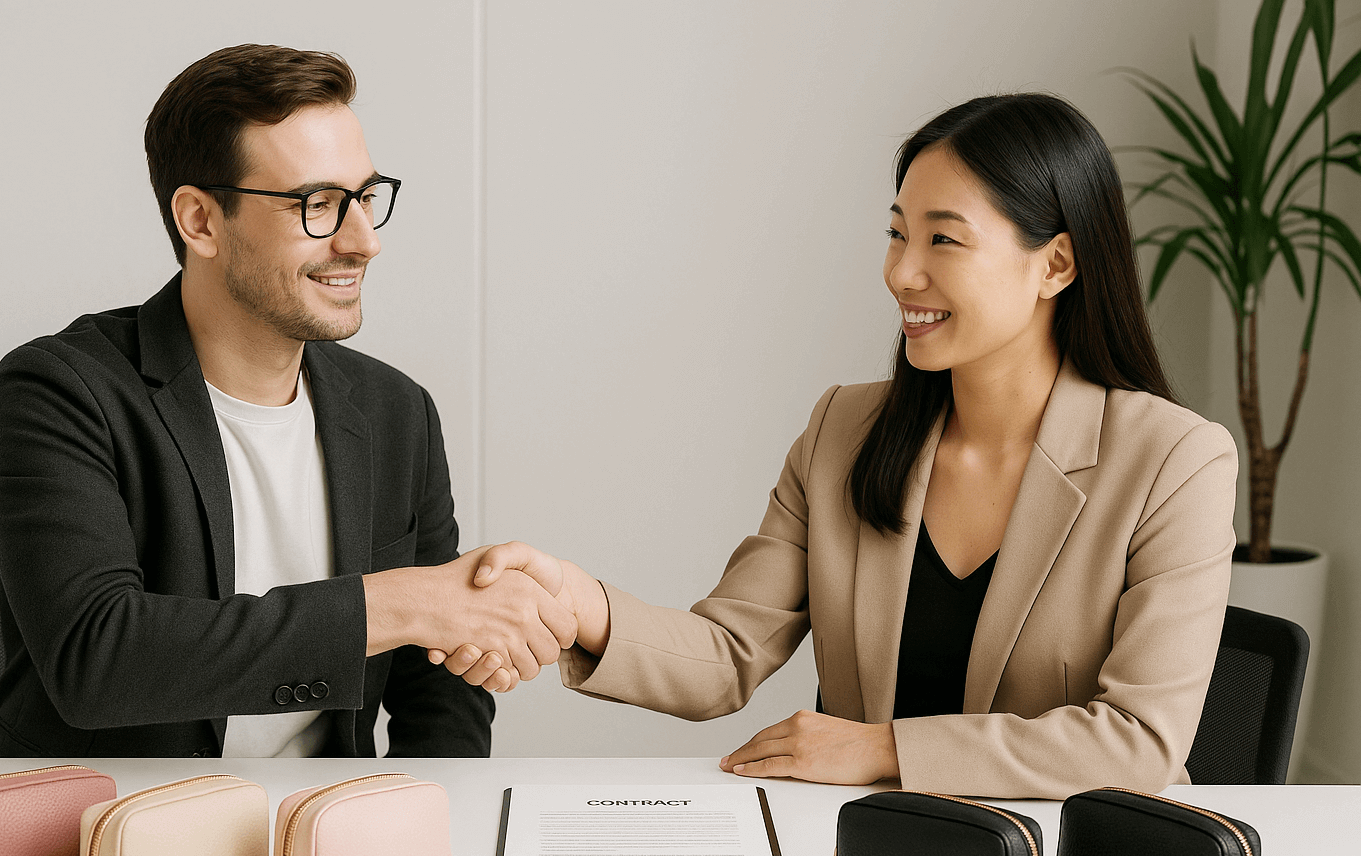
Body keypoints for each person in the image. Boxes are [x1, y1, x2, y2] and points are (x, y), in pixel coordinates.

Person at [447, 93, 1238, 800]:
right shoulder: (845, 431)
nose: (903, 272)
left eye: (943, 240)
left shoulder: (1176, 462)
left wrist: (881, 749)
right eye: (897, 235)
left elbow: (1139, 742)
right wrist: (577, 602)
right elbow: (727, 653)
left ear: (1056, 264)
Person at [0, 44, 574, 758]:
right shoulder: (60, 391)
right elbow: (98, 661)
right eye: (317, 205)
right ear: (201, 221)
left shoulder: (396, 411)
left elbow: (439, 691)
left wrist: (421, 805)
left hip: (321, 820)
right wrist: (402, 603)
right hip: (103, 818)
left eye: (365, 197)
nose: (363, 242)